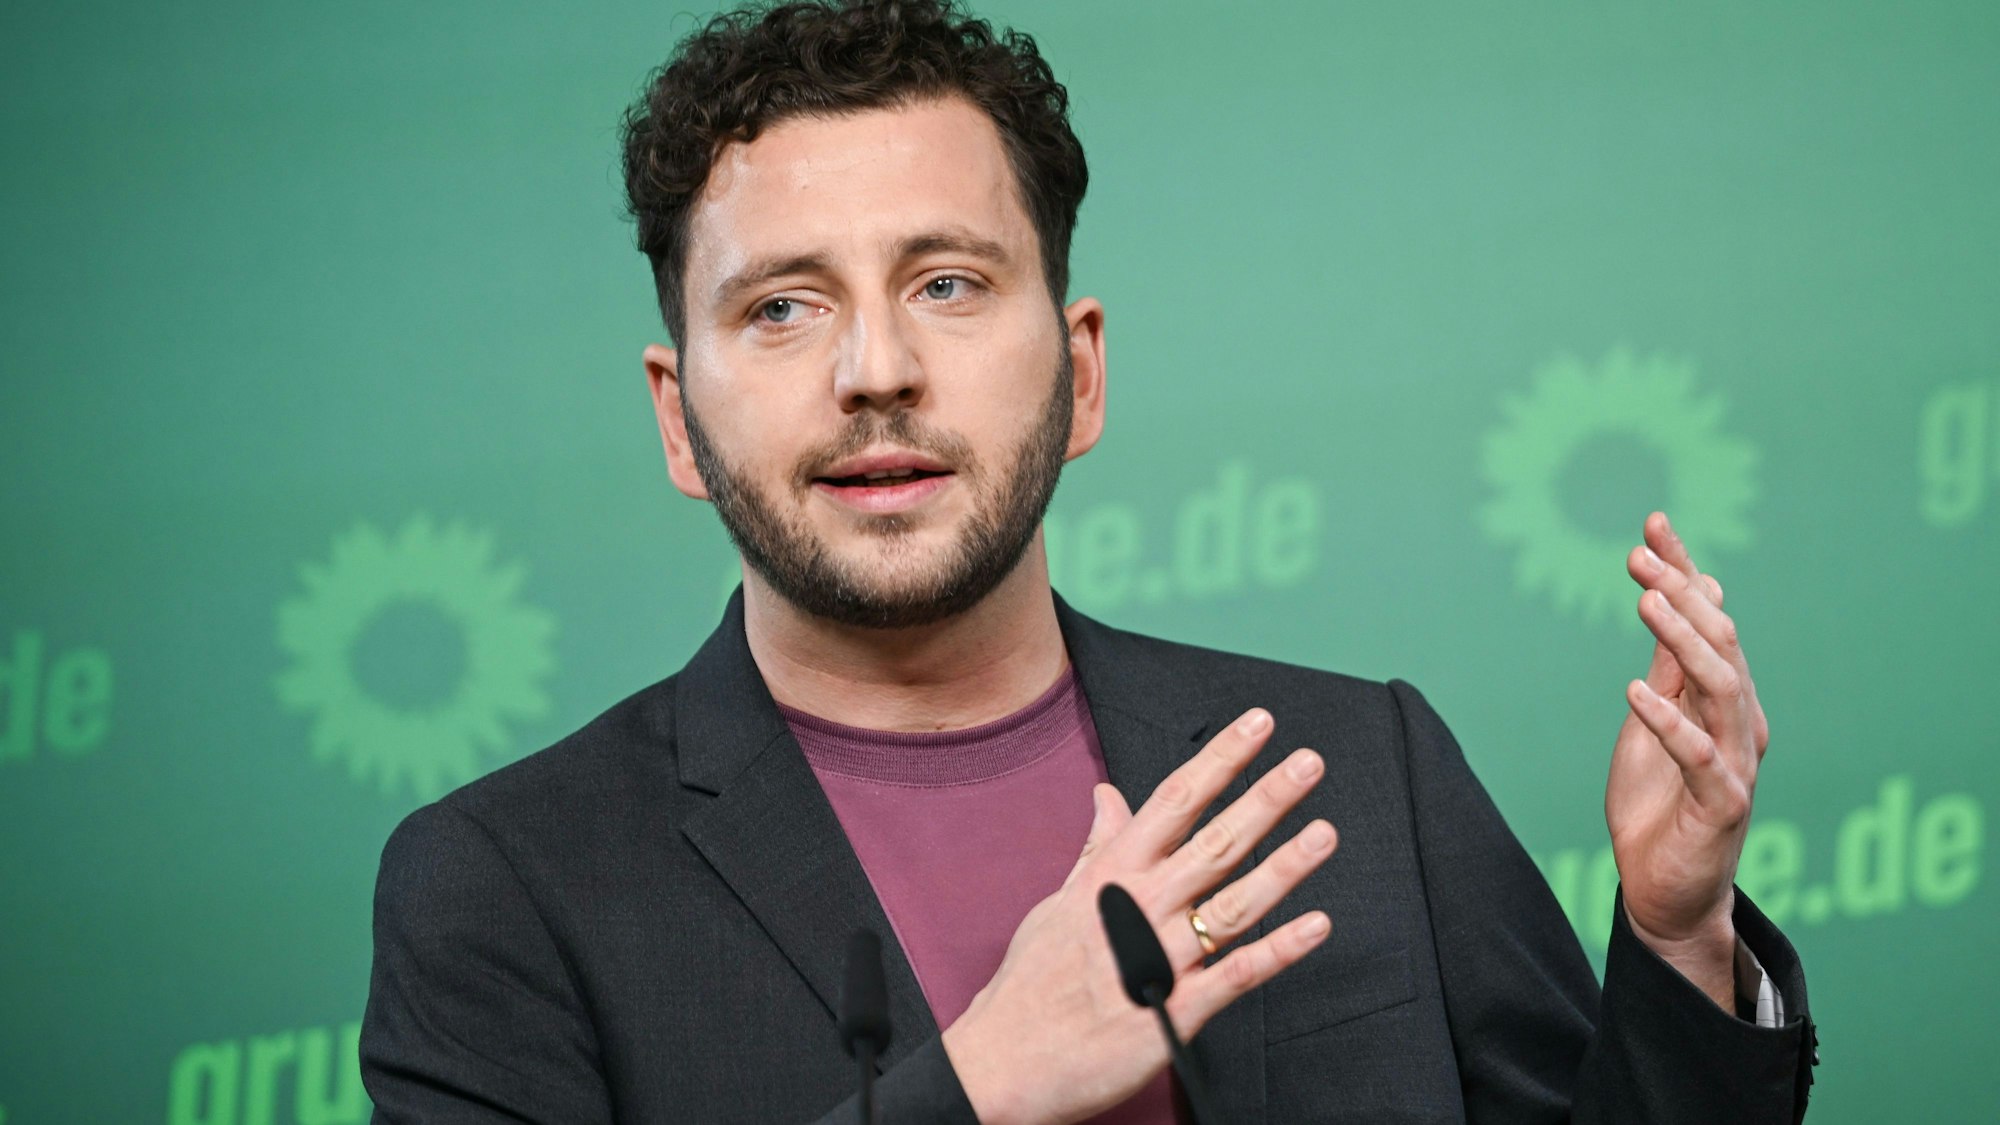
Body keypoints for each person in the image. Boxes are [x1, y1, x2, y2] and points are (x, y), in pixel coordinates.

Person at [358, 1, 1818, 1121]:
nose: (877, 369)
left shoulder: (1358, 764)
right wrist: (981, 1082)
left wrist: (1677, 933)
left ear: (1082, 371)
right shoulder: (504, 885)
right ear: (681, 420)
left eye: (947, 283)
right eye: (785, 309)